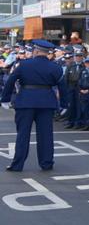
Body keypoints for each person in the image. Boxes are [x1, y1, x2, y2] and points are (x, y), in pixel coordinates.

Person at [1, 40, 67, 171]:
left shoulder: (24, 65)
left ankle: (18, 164)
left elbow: (11, 80)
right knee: (46, 135)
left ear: (36, 51)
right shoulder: (55, 67)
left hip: (26, 100)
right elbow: (63, 87)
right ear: (48, 53)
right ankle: (46, 163)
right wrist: (64, 104)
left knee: (23, 134)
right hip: (46, 101)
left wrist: (5, 99)